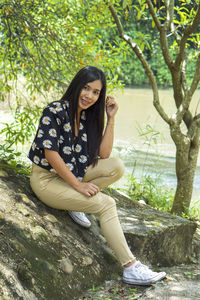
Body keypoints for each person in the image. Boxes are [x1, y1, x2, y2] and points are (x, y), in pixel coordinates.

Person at [28, 66, 166, 285]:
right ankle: (131, 267)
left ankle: (75, 204)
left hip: (71, 173)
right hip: (46, 180)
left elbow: (104, 154)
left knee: (117, 166)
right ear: (76, 86)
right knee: (106, 204)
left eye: (95, 92)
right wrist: (79, 186)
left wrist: (110, 118)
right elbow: (50, 153)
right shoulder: (55, 110)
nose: (89, 96)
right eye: (86, 88)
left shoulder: (84, 117)